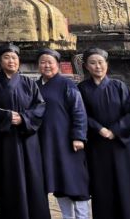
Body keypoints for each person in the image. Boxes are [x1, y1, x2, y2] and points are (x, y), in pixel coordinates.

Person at [78, 47, 130, 219]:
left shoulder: (119, 86)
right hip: (98, 146)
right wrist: (99, 129)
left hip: (122, 145)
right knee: (104, 186)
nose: (97, 66)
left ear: (107, 64)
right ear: (86, 66)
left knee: (128, 184)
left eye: (101, 62)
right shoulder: (82, 89)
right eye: (93, 63)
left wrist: (115, 130)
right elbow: (81, 114)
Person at [0, 43, 50, 219]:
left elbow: (40, 106)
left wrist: (24, 118)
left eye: (14, 58)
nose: (11, 61)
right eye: (7, 57)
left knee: (32, 178)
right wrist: (7, 117)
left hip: (28, 139)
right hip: (4, 140)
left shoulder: (29, 83)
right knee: (7, 179)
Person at [36, 48, 89, 219]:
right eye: (43, 62)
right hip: (47, 143)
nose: (47, 66)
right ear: (38, 66)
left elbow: (79, 111)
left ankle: (82, 216)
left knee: (76, 181)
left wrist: (78, 136)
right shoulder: (35, 86)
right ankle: (67, 216)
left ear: (57, 65)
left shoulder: (67, 84)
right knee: (58, 181)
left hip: (68, 142)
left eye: (50, 62)